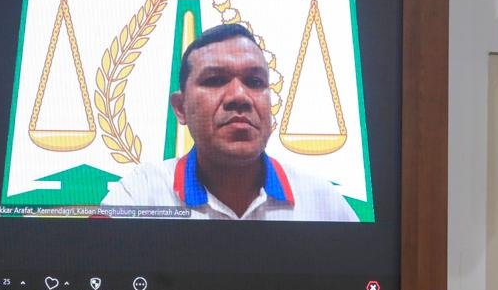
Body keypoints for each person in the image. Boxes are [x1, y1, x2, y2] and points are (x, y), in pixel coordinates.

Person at [101, 23, 357, 221]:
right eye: (215, 80)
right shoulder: (142, 193)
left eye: (255, 82)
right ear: (181, 108)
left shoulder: (323, 202)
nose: (239, 96)